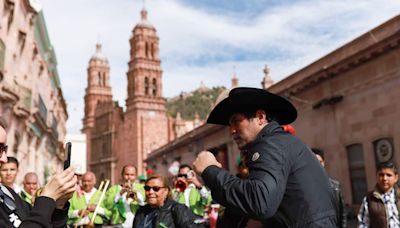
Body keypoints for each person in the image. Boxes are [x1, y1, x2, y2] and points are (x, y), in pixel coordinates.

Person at [193, 87, 336, 227]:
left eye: (236, 121)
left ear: (260, 117)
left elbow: (260, 203)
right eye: (230, 124)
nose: (232, 130)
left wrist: (209, 170)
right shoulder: (282, 142)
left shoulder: (270, 145)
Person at [0, 122, 77, 227]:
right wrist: (47, 198)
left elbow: (40, 222)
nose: (4, 159)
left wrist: (59, 206)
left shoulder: (6, 193)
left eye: (4, 149)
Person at [132, 174, 204, 227]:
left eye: (156, 188)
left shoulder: (177, 209)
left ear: (166, 191)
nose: (150, 192)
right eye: (147, 188)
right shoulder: (141, 211)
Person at [312, 148, 347, 228]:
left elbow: (342, 213)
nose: (317, 165)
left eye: (320, 162)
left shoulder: (335, 186)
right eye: (314, 162)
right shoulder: (304, 186)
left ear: (323, 163)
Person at [358, 162, 400, 227]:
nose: (384, 178)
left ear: (396, 178)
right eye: (381, 175)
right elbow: (363, 223)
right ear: (376, 176)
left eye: (389, 175)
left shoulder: (398, 196)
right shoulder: (369, 199)